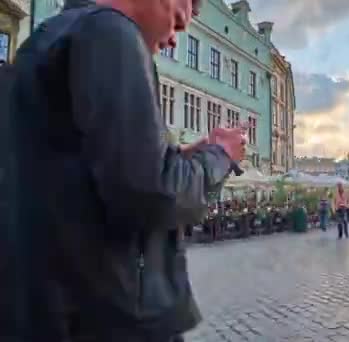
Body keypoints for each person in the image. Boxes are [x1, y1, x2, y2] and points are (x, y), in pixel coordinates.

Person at [8, 0, 246, 340]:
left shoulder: (43, 41)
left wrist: (175, 157)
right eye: (179, 21)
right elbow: (154, 196)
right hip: (114, 319)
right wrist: (221, 156)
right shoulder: (111, 32)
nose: (175, 40)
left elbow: (86, 179)